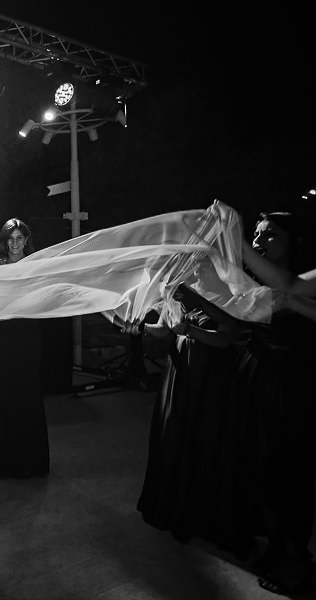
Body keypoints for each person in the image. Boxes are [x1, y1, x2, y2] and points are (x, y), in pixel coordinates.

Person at [231, 212, 316, 595]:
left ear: (293, 241)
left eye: (272, 235)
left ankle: (295, 560)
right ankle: (279, 547)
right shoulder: (268, 282)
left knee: (291, 472)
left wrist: (239, 245)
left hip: (294, 383)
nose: (262, 240)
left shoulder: (301, 278)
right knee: (263, 466)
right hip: (262, 378)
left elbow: (288, 288)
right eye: (257, 234)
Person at [125, 272, 241, 547]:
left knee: (202, 438)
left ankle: (197, 514)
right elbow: (165, 329)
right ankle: (170, 505)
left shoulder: (225, 290)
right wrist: (139, 328)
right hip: (179, 370)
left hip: (209, 374)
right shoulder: (178, 289)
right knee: (173, 435)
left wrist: (190, 331)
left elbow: (226, 339)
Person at [0, 218, 49, 479]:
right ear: (4, 241)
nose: (14, 243)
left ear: (26, 241)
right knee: (3, 394)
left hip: (28, 336)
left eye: (19, 238)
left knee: (28, 393)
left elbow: (45, 299)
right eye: (10, 238)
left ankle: (31, 462)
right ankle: (3, 463)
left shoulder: (35, 267)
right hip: (2, 338)